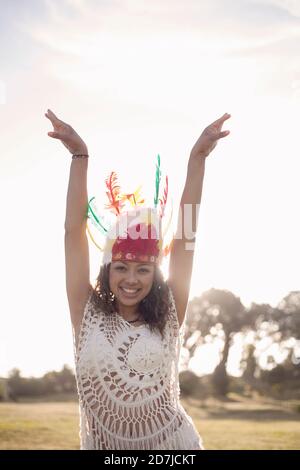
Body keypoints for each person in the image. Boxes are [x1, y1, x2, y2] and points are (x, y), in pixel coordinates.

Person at [45, 108, 231, 450]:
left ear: (155, 274)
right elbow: (73, 232)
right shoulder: (86, 313)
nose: (131, 279)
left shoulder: (170, 311)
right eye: (121, 267)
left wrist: (197, 159)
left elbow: (186, 238)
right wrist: (79, 156)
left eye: (143, 269)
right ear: (107, 270)